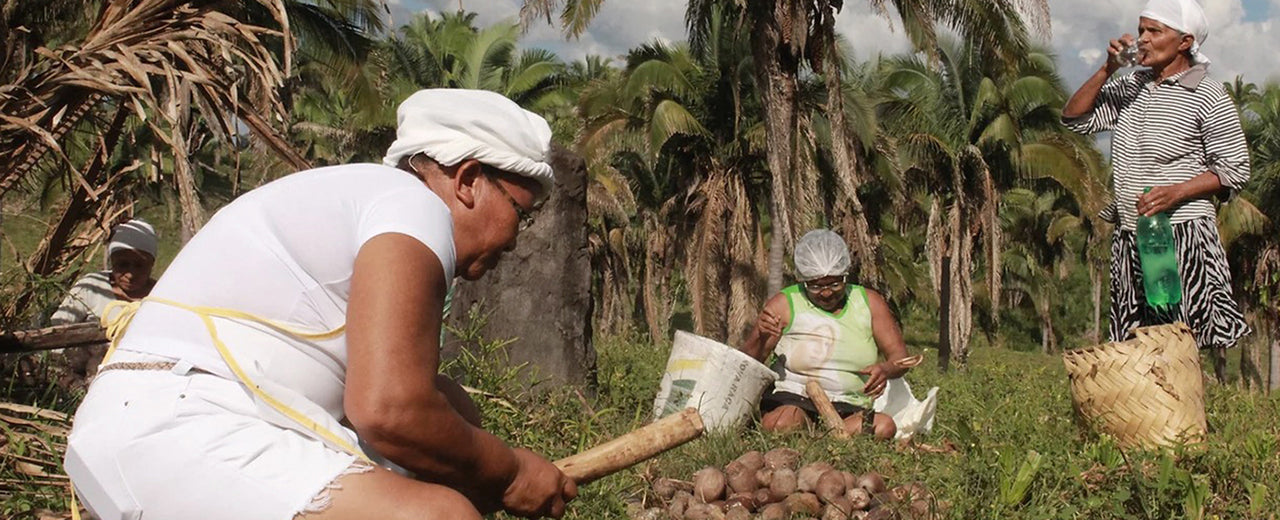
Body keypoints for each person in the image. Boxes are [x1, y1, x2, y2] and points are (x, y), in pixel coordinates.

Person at [63, 89, 576, 520]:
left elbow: (423, 405)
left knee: (454, 413)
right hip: (172, 429)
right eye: (519, 213)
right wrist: (509, 473)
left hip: (137, 430)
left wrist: (471, 459)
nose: (514, 239)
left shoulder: (362, 199)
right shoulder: (412, 205)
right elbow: (389, 409)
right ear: (466, 180)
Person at [1062, 0, 1251, 379]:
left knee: (1176, 332)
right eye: (1142, 29)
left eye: (1155, 31)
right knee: (1137, 333)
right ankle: (1150, 417)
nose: (1144, 39)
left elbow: (1235, 169)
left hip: (1179, 230)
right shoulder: (1131, 85)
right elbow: (1075, 118)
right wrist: (1108, 68)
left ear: (1184, 42)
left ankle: (1183, 418)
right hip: (1132, 230)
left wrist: (1176, 192)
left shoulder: (1207, 95)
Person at [739, 229, 911, 440]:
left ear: (845, 275)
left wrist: (885, 369)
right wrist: (761, 336)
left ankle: (825, 435)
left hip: (850, 404)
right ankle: (824, 434)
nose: (827, 293)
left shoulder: (870, 302)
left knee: (883, 427)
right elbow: (747, 363)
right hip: (795, 397)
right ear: (803, 280)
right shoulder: (784, 304)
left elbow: (901, 358)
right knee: (781, 424)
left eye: (834, 284)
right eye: (816, 286)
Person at [49, 218, 158, 325]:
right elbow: (59, 327)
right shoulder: (91, 287)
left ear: (151, 264)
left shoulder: (161, 295)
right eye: (123, 265)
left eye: (139, 266)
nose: (130, 275)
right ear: (112, 261)